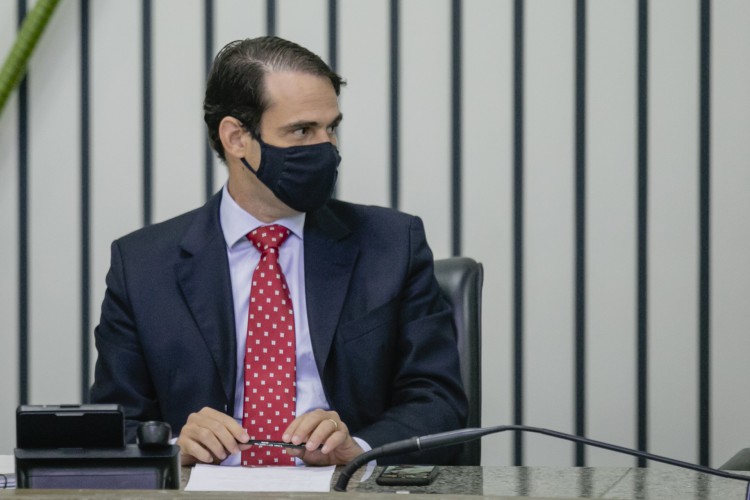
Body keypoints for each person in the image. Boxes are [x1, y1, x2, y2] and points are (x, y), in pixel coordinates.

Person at [90, 36, 467, 467]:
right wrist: (175, 446)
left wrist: (359, 450)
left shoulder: (391, 244)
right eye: (303, 130)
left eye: (332, 127)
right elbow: (116, 425)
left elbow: (439, 402)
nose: (328, 148)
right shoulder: (142, 266)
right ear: (235, 138)